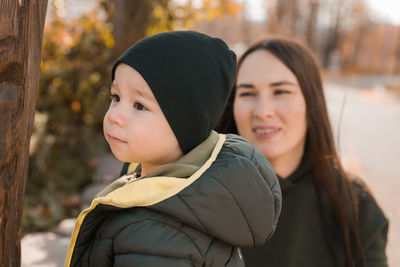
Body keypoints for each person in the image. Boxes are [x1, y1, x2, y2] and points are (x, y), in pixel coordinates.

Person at [64, 31, 282, 267]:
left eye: (139, 105)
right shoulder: (156, 193)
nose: (115, 116)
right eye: (116, 97)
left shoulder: (156, 236)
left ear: (186, 123)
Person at [215, 37, 389, 267]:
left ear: (311, 101)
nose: (263, 111)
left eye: (281, 92)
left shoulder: (355, 206)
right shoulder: (200, 193)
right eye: (247, 93)